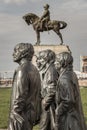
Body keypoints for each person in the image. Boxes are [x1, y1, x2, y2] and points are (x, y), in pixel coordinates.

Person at [8, 43, 41, 130]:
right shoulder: (34, 69)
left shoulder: (22, 70)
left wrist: (14, 116)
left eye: (16, 51)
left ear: (23, 53)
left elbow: (19, 97)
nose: (13, 54)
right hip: (29, 114)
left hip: (19, 117)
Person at [55, 52, 87, 130]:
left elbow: (68, 100)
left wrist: (58, 111)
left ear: (63, 63)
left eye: (57, 60)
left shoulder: (64, 78)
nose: (55, 63)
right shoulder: (71, 74)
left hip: (69, 120)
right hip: (75, 118)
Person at [36, 49, 59, 130]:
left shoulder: (51, 71)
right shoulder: (47, 70)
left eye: (40, 59)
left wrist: (44, 102)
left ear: (46, 60)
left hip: (49, 105)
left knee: (44, 126)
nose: (38, 61)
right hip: (47, 105)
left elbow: (52, 89)